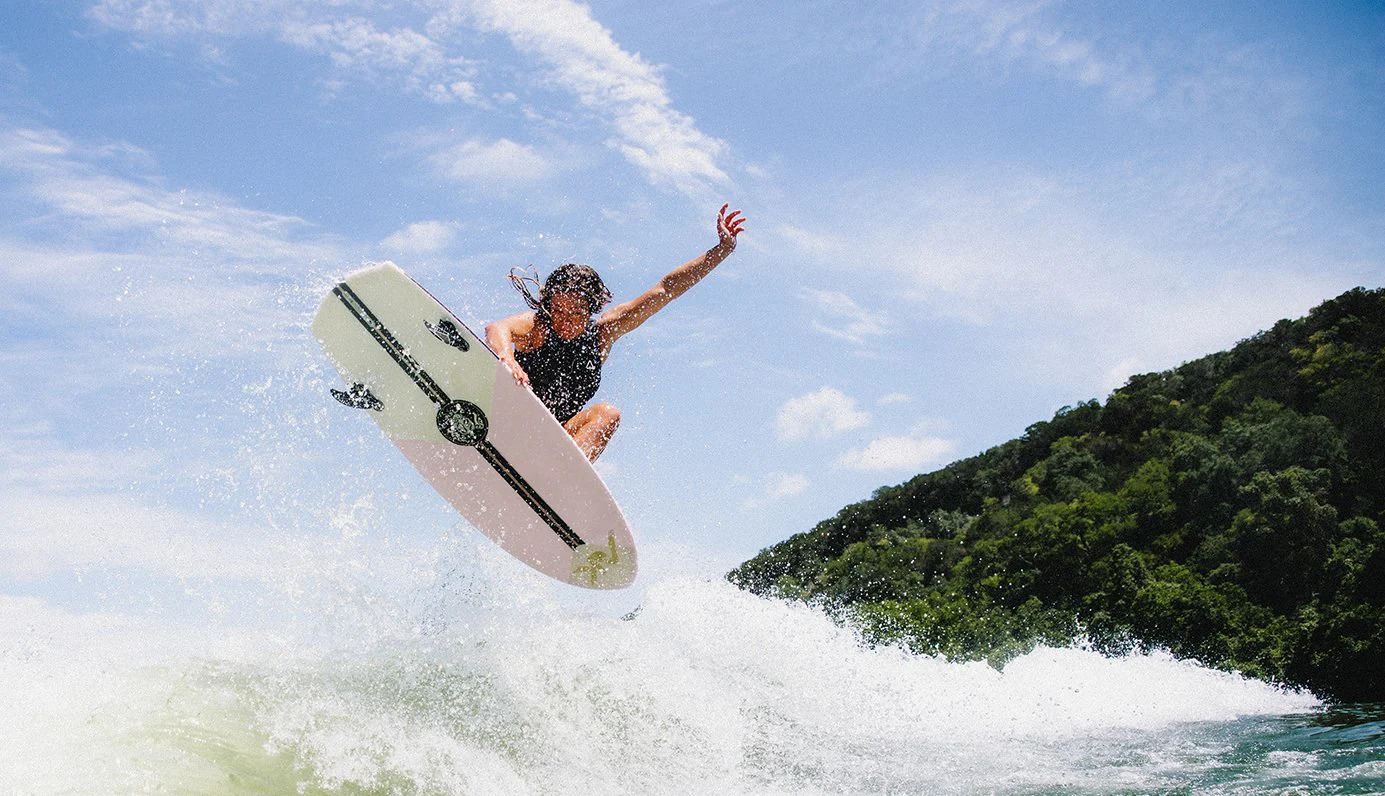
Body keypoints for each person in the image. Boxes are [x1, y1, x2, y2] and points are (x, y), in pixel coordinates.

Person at [486, 204, 747, 462]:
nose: (565, 321)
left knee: (608, 414)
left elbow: (666, 289)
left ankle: (558, 474)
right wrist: (507, 358)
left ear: (591, 309)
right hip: (507, 418)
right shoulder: (538, 326)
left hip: (547, 438)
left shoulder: (601, 334)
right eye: (558, 310)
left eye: (576, 313)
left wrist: (721, 250)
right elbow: (498, 328)